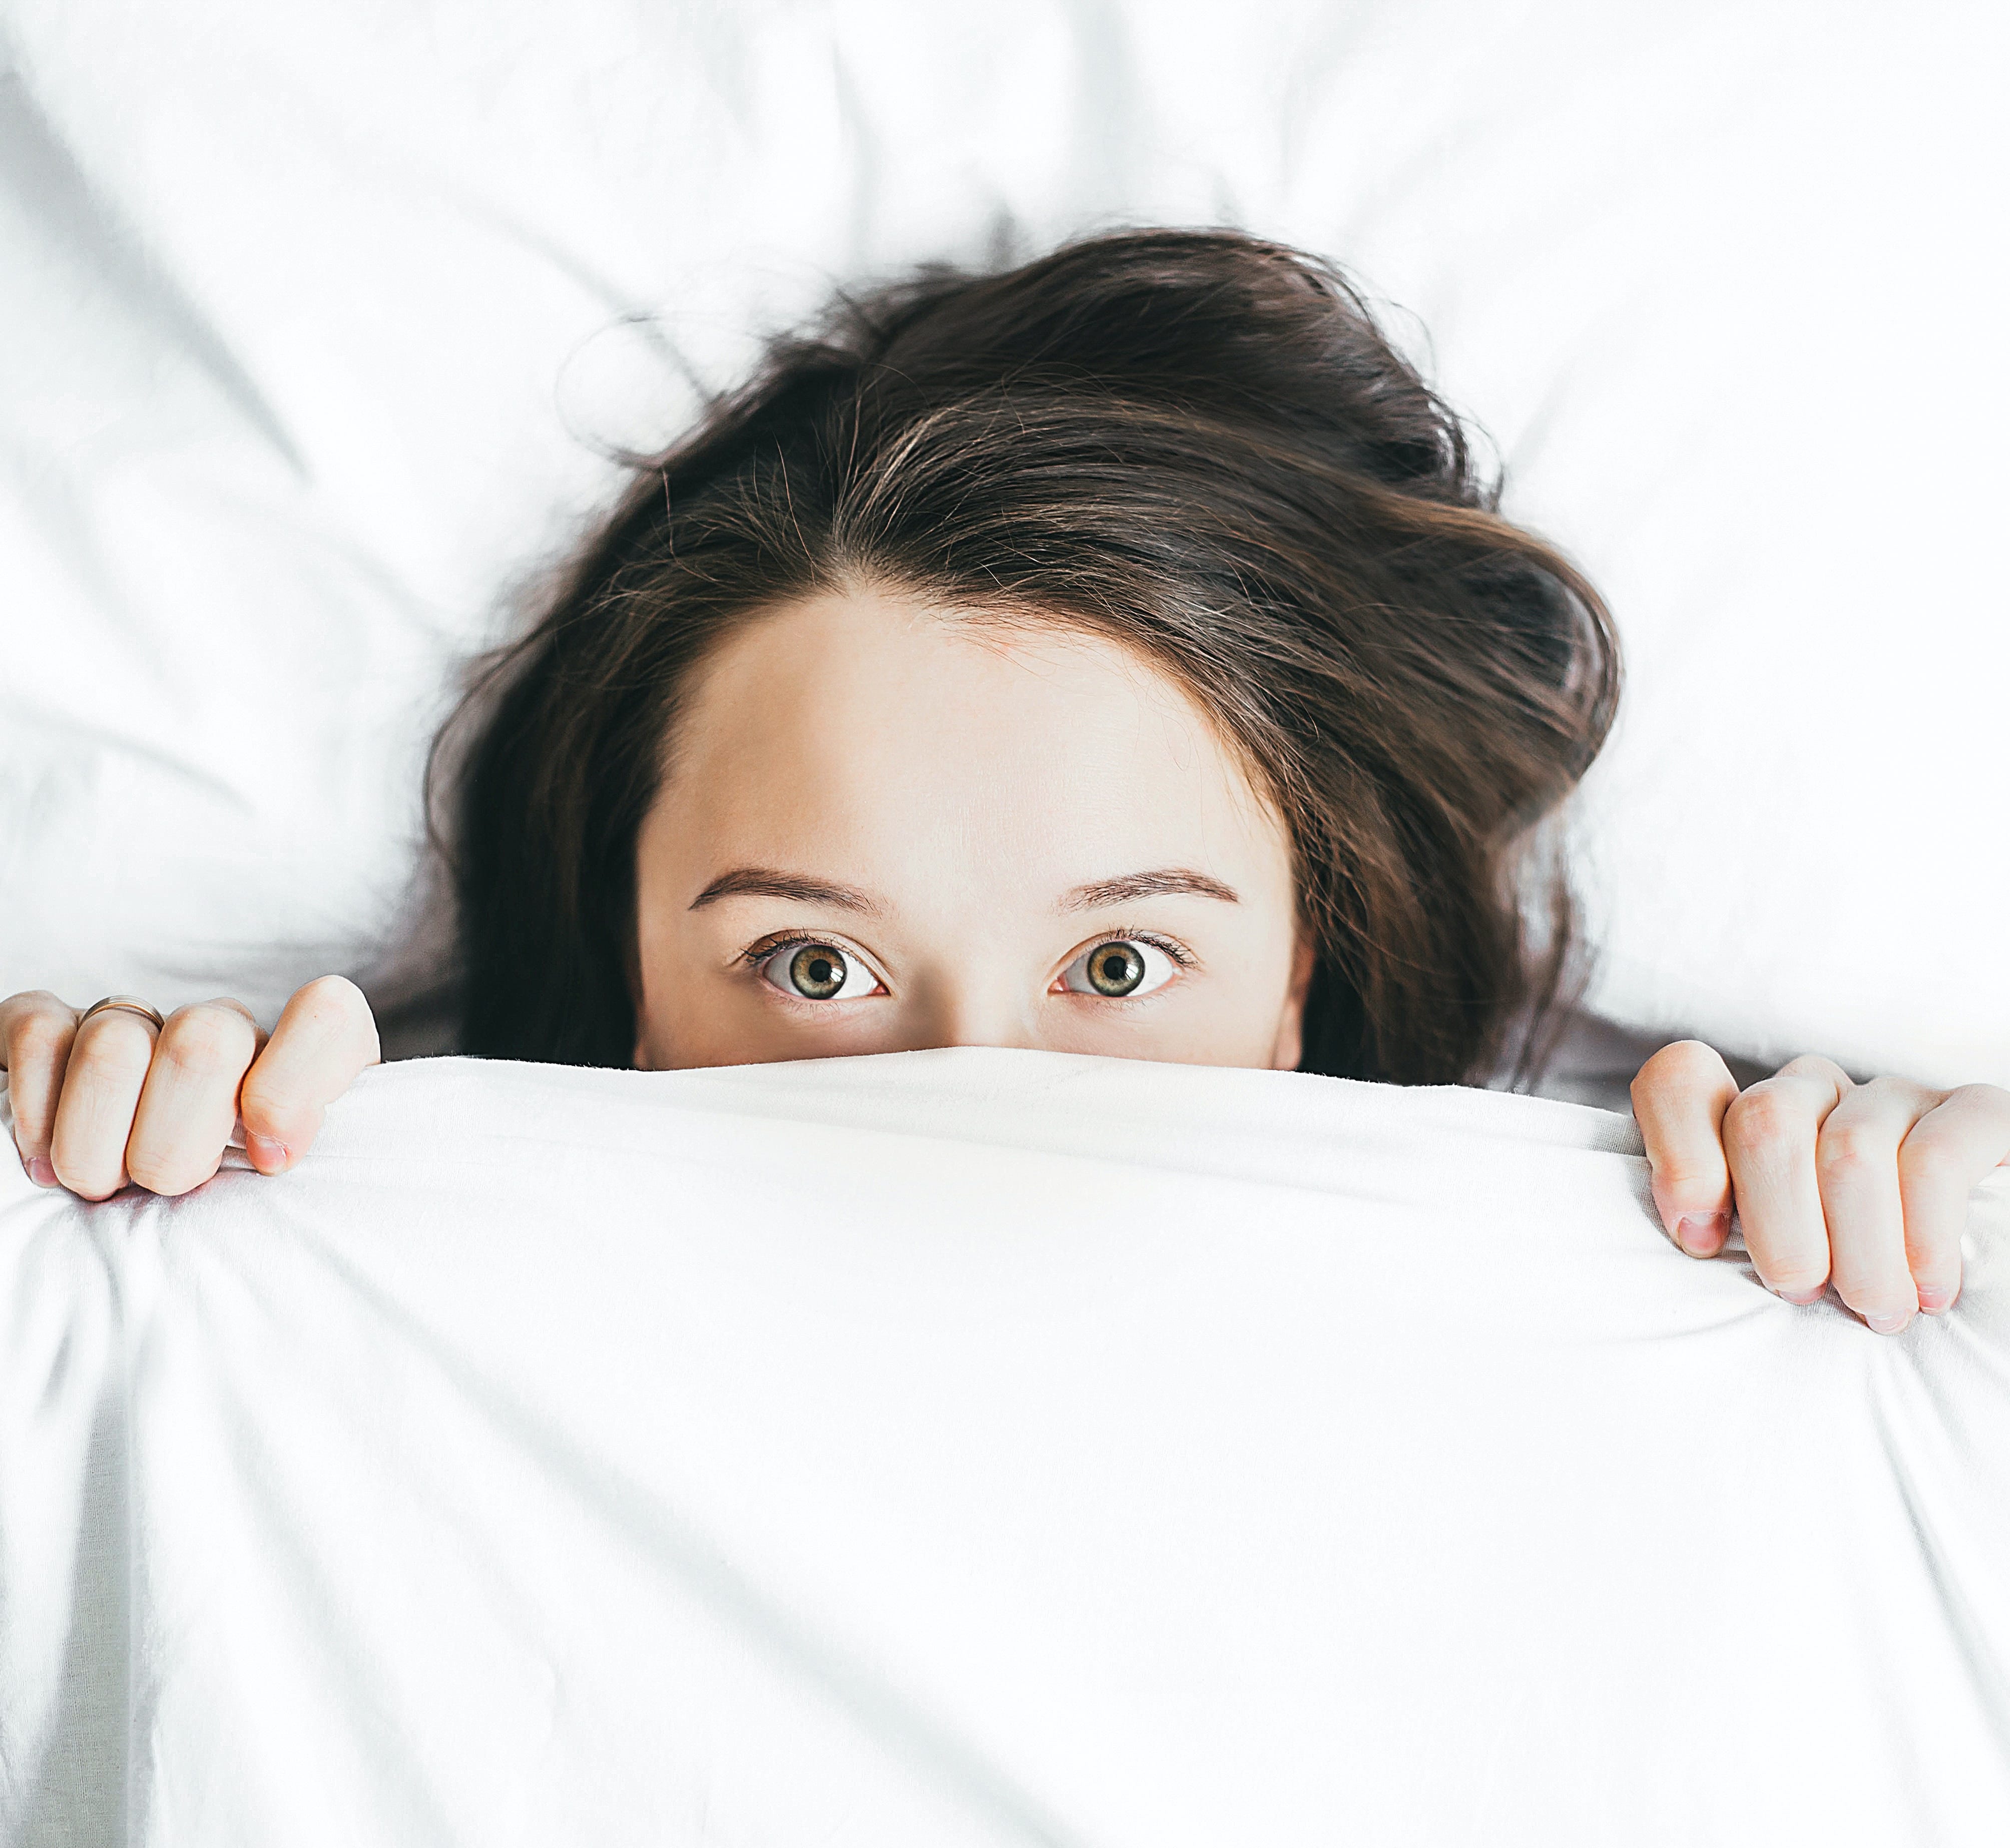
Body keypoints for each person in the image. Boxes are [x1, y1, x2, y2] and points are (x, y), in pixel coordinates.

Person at [3, 227, 2003, 1333]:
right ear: (621, 962)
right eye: (809, 965)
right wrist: (89, 1168)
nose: (970, 1099)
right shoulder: (354, 1277)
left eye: (1120, 967)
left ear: (1311, 967)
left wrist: (1919, 1214)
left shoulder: (1634, 1285)